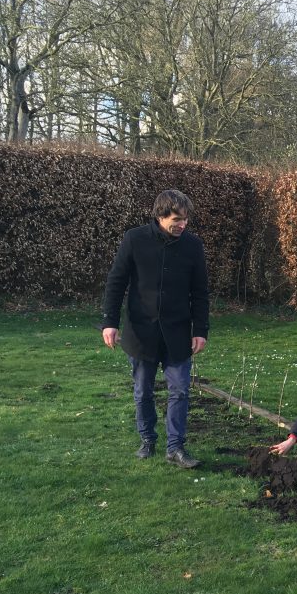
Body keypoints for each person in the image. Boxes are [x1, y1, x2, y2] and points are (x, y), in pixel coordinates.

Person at [101, 189, 209, 468]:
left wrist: (201, 330)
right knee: (143, 391)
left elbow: (200, 292)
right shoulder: (134, 240)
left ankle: (175, 447)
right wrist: (110, 322)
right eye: (177, 219)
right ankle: (147, 440)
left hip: (177, 332)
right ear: (160, 216)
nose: (183, 225)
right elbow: (116, 282)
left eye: (186, 220)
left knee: (180, 390)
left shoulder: (192, 246)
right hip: (140, 331)